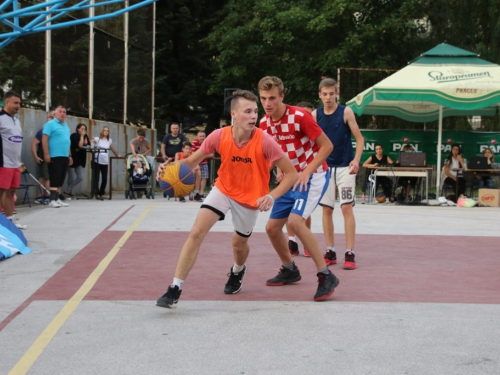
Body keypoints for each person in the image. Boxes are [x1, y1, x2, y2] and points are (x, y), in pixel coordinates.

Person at [156, 90, 298, 309]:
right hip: (223, 189)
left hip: (250, 198)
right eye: (247, 111)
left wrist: (271, 195)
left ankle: (238, 271)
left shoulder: (265, 141)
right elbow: (192, 162)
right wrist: (168, 169)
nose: (253, 116)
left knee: (238, 244)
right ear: (234, 114)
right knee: (196, 232)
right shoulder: (219, 136)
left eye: (255, 112)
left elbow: (292, 174)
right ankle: (175, 288)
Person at [258, 76, 340, 302]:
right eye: (263, 98)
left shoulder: (299, 116)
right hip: (290, 178)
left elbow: (327, 146)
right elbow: (271, 154)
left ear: (282, 96)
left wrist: (306, 170)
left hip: (312, 175)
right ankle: (290, 269)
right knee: (272, 229)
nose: (268, 103)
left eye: (272, 98)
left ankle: (326, 275)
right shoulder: (264, 123)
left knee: (295, 222)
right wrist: (277, 168)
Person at [311, 78, 364, 271]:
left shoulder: (346, 112)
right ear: (320, 95)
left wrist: (356, 160)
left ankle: (350, 251)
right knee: (326, 210)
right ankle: (330, 250)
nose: (328, 98)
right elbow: (309, 142)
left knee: (346, 208)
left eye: (331, 94)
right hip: (324, 169)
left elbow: (359, 139)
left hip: (344, 168)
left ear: (336, 94)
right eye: (324, 94)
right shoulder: (315, 115)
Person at [282, 102, 314, 257]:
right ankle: (291, 240)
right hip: (289, 174)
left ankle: (307, 242)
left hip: (306, 175)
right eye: (303, 113)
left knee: (303, 212)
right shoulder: (289, 129)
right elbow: (279, 151)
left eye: (309, 114)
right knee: (289, 210)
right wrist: (279, 169)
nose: (305, 117)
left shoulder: (314, 133)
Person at [0, 91, 27, 229]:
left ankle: (9, 221)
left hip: (16, 163)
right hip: (3, 163)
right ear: (7, 102)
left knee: (11, 192)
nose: (18, 106)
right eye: (15, 103)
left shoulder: (17, 120)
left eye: (19, 103)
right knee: (1, 191)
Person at [42, 106, 72, 208]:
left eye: (64, 112)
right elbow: (44, 139)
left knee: (61, 178)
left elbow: (67, 141)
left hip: (64, 155)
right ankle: (52, 200)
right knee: (54, 177)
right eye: (60, 112)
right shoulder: (50, 124)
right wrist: (46, 154)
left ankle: (58, 198)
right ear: (55, 113)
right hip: (55, 155)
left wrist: (70, 155)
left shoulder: (65, 125)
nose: (62, 114)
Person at [30, 111, 55, 204]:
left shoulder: (53, 132)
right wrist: (36, 157)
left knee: (46, 177)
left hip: (51, 157)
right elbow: (33, 143)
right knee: (46, 177)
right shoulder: (43, 131)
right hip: (43, 157)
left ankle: (44, 195)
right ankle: (42, 196)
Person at [91, 126, 121, 200]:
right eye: (105, 130)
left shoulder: (109, 140)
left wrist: (117, 155)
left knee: (104, 178)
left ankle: (101, 193)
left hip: (105, 161)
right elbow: (92, 143)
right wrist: (92, 143)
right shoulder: (98, 139)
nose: (106, 132)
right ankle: (96, 193)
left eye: (107, 131)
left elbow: (112, 148)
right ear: (102, 131)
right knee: (96, 178)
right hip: (97, 160)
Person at [64, 123, 90, 198]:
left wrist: (86, 143)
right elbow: (80, 145)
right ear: (77, 129)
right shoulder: (74, 136)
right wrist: (82, 136)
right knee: (71, 177)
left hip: (80, 159)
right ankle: (69, 193)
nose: (83, 130)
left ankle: (68, 190)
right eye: (82, 129)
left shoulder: (85, 136)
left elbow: (88, 145)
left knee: (80, 177)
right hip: (73, 158)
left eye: (84, 129)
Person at [191, 130, 213, 201]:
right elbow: (193, 154)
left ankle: (201, 193)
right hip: (196, 163)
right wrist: (204, 155)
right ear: (197, 137)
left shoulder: (208, 143)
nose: (202, 138)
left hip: (204, 163)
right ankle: (194, 192)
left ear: (205, 137)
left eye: (203, 136)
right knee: (194, 177)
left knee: (205, 177)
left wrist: (200, 156)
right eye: (200, 136)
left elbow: (211, 155)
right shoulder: (194, 143)